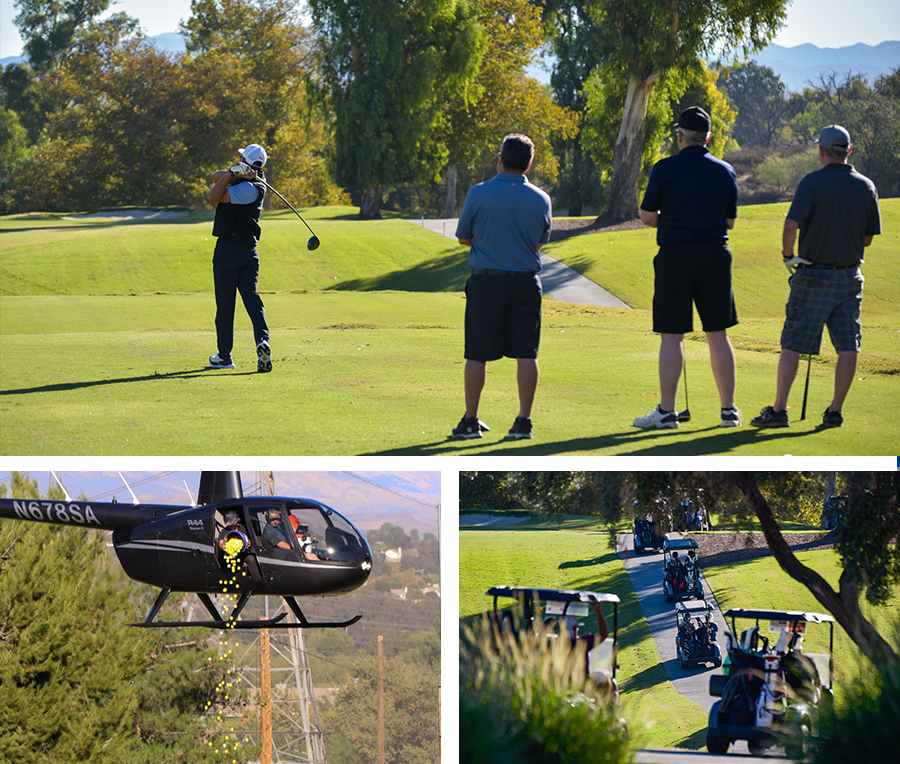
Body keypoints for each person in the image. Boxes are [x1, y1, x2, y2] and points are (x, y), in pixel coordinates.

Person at [751, 124, 881, 429]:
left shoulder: (811, 183)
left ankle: (779, 410)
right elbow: (867, 239)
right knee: (848, 345)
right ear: (848, 150)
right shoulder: (867, 186)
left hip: (812, 275)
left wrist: (788, 256)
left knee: (793, 342)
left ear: (821, 151)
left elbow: (790, 226)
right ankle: (835, 411)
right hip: (850, 277)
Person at [635, 106, 742, 430]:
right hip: (715, 255)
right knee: (717, 333)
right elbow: (730, 221)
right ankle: (728, 412)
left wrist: (673, 219)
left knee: (672, 334)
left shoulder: (664, 168)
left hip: (675, 256)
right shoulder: (725, 170)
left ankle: (667, 413)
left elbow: (647, 216)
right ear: (707, 138)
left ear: (680, 136)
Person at [451, 134, 552, 441]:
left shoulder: (479, 193)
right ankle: (523, 423)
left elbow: (463, 237)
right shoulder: (542, 199)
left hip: (487, 282)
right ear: (528, 165)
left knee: (477, 354)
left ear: (500, 159)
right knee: (526, 353)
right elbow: (539, 242)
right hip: (526, 283)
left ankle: (470, 422)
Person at [207, 143, 273, 373]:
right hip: (249, 253)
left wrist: (234, 174)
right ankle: (263, 341)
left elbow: (214, 195)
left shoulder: (249, 189)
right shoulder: (249, 180)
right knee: (252, 299)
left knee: (225, 305)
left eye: (241, 158)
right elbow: (216, 176)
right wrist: (235, 172)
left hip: (228, 251)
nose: (238, 159)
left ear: (247, 162)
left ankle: (224, 357)